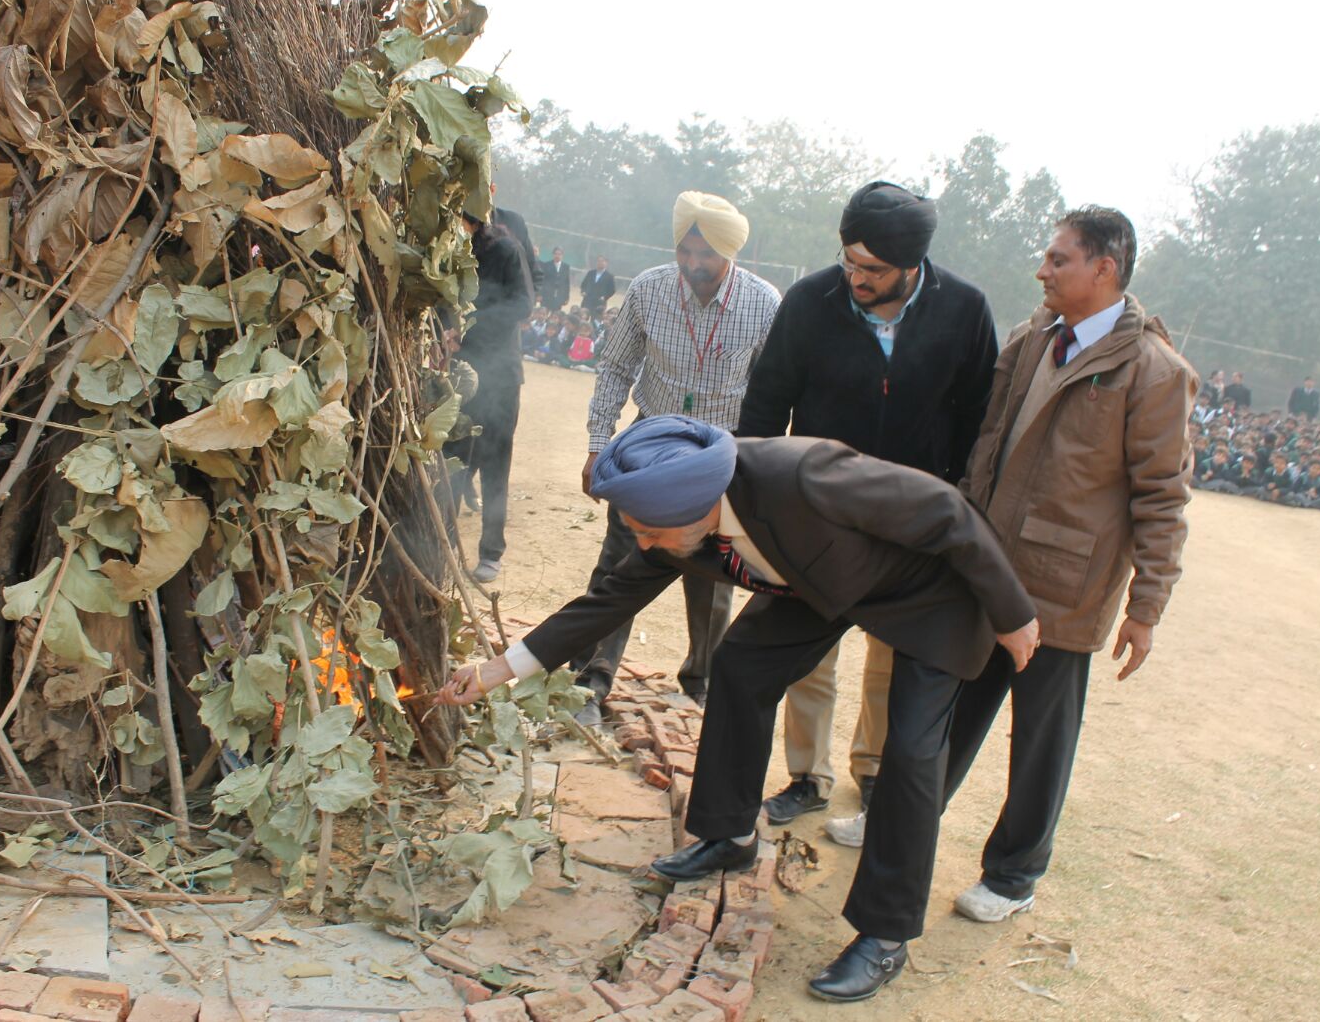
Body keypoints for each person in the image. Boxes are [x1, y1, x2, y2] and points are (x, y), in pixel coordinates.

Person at [437, 416, 1040, 1003]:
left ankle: (885, 934)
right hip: (815, 586)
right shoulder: (669, 516)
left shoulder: (805, 474)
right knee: (740, 666)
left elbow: (946, 511)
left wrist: (1013, 614)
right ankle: (728, 835)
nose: (644, 545)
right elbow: (606, 600)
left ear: (698, 505)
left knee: (909, 752)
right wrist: (496, 670)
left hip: (925, 592)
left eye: (650, 532)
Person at [944, 206, 1198, 924]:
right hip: (990, 567)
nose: (1043, 270)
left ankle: (1013, 876)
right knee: (948, 707)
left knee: (1041, 738)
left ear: (1105, 269)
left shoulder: (1151, 371)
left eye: (1059, 259)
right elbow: (988, 441)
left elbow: (1162, 497)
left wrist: (1146, 607)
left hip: (1065, 587)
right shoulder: (1032, 338)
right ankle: (907, 818)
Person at [736, 181, 999, 845]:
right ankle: (806, 776)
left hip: (912, 520)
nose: (855, 277)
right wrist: (757, 499)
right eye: (849, 261)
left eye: (873, 269)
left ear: (912, 266)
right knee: (807, 656)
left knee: (894, 654)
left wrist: (957, 505)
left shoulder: (965, 310)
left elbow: (978, 417)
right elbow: (766, 405)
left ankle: (875, 771)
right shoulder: (809, 301)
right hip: (816, 515)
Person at [566, 192, 780, 724]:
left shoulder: (764, 304)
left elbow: (771, 392)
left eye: (705, 253)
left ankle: (702, 679)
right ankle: (593, 680)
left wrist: (753, 466)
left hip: (720, 450)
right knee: (620, 557)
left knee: (713, 568)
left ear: (729, 252)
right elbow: (615, 368)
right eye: (685, 251)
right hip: (649, 443)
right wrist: (599, 443)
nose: (693, 264)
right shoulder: (649, 290)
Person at [445, 213, 534, 584]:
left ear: (475, 220)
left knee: (496, 463)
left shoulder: (505, 250)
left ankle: (491, 552)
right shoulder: (445, 252)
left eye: (460, 220)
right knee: (451, 461)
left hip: (500, 374)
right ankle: (444, 546)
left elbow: (523, 306)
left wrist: (467, 324)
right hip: (459, 374)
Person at [541, 246, 572, 311]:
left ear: (562, 255)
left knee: (555, 315)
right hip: (546, 296)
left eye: (559, 254)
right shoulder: (546, 265)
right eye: (556, 254)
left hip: (559, 297)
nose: (557, 256)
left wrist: (566, 297)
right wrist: (539, 294)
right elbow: (542, 281)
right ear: (553, 254)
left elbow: (567, 283)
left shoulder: (566, 267)